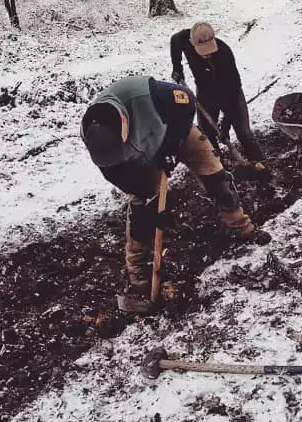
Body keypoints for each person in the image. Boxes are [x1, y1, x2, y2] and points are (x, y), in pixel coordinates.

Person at [80, 75, 269, 314]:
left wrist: (171, 144)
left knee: (216, 179)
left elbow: (187, 100)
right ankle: (137, 274)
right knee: (141, 211)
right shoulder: (97, 141)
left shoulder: (149, 96)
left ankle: (242, 227)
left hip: (176, 133)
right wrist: (152, 204)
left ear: (124, 128)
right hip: (143, 160)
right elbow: (119, 176)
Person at [170, 22, 266, 171]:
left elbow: (232, 91)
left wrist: (226, 125)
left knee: (244, 133)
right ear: (192, 42)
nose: (208, 54)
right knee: (207, 134)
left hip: (231, 94)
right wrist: (177, 68)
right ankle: (219, 168)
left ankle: (261, 165)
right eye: (204, 51)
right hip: (205, 93)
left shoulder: (224, 53)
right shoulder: (184, 40)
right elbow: (175, 41)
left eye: (210, 50)